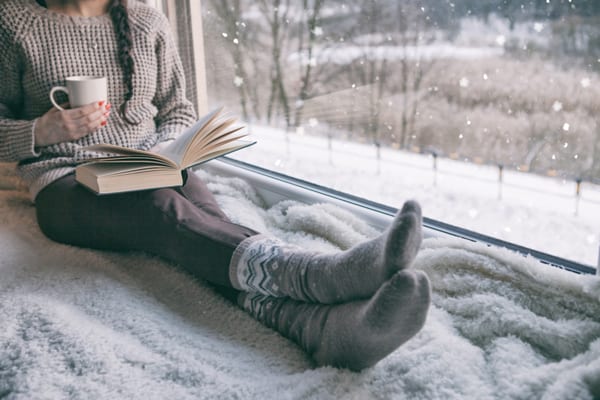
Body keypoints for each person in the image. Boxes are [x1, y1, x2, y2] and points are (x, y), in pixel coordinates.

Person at [0, 0, 431, 371]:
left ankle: (322, 330)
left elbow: (177, 109)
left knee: (208, 225)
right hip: (67, 185)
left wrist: (167, 151)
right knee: (164, 211)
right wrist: (41, 129)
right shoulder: (14, 22)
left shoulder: (145, 21)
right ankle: (315, 272)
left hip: (151, 165)